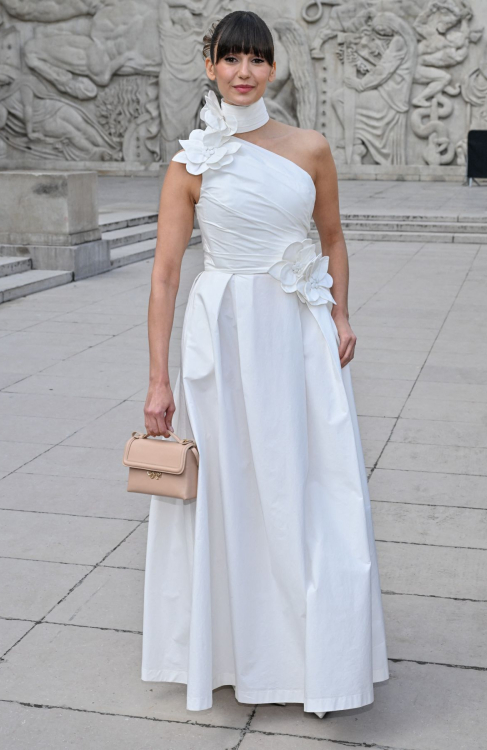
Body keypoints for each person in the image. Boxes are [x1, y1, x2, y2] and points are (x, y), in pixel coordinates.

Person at [142, 9, 389, 718]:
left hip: (297, 335)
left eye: (255, 60)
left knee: (311, 489)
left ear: (271, 68)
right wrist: (159, 379)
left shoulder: (310, 148)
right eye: (230, 59)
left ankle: (318, 656)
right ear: (212, 66)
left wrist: (339, 313)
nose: (243, 72)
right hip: (220, 338)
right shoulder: (189, 164)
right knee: (231, 492)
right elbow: (163, 275)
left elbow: (334, 237)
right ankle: (237, 652)